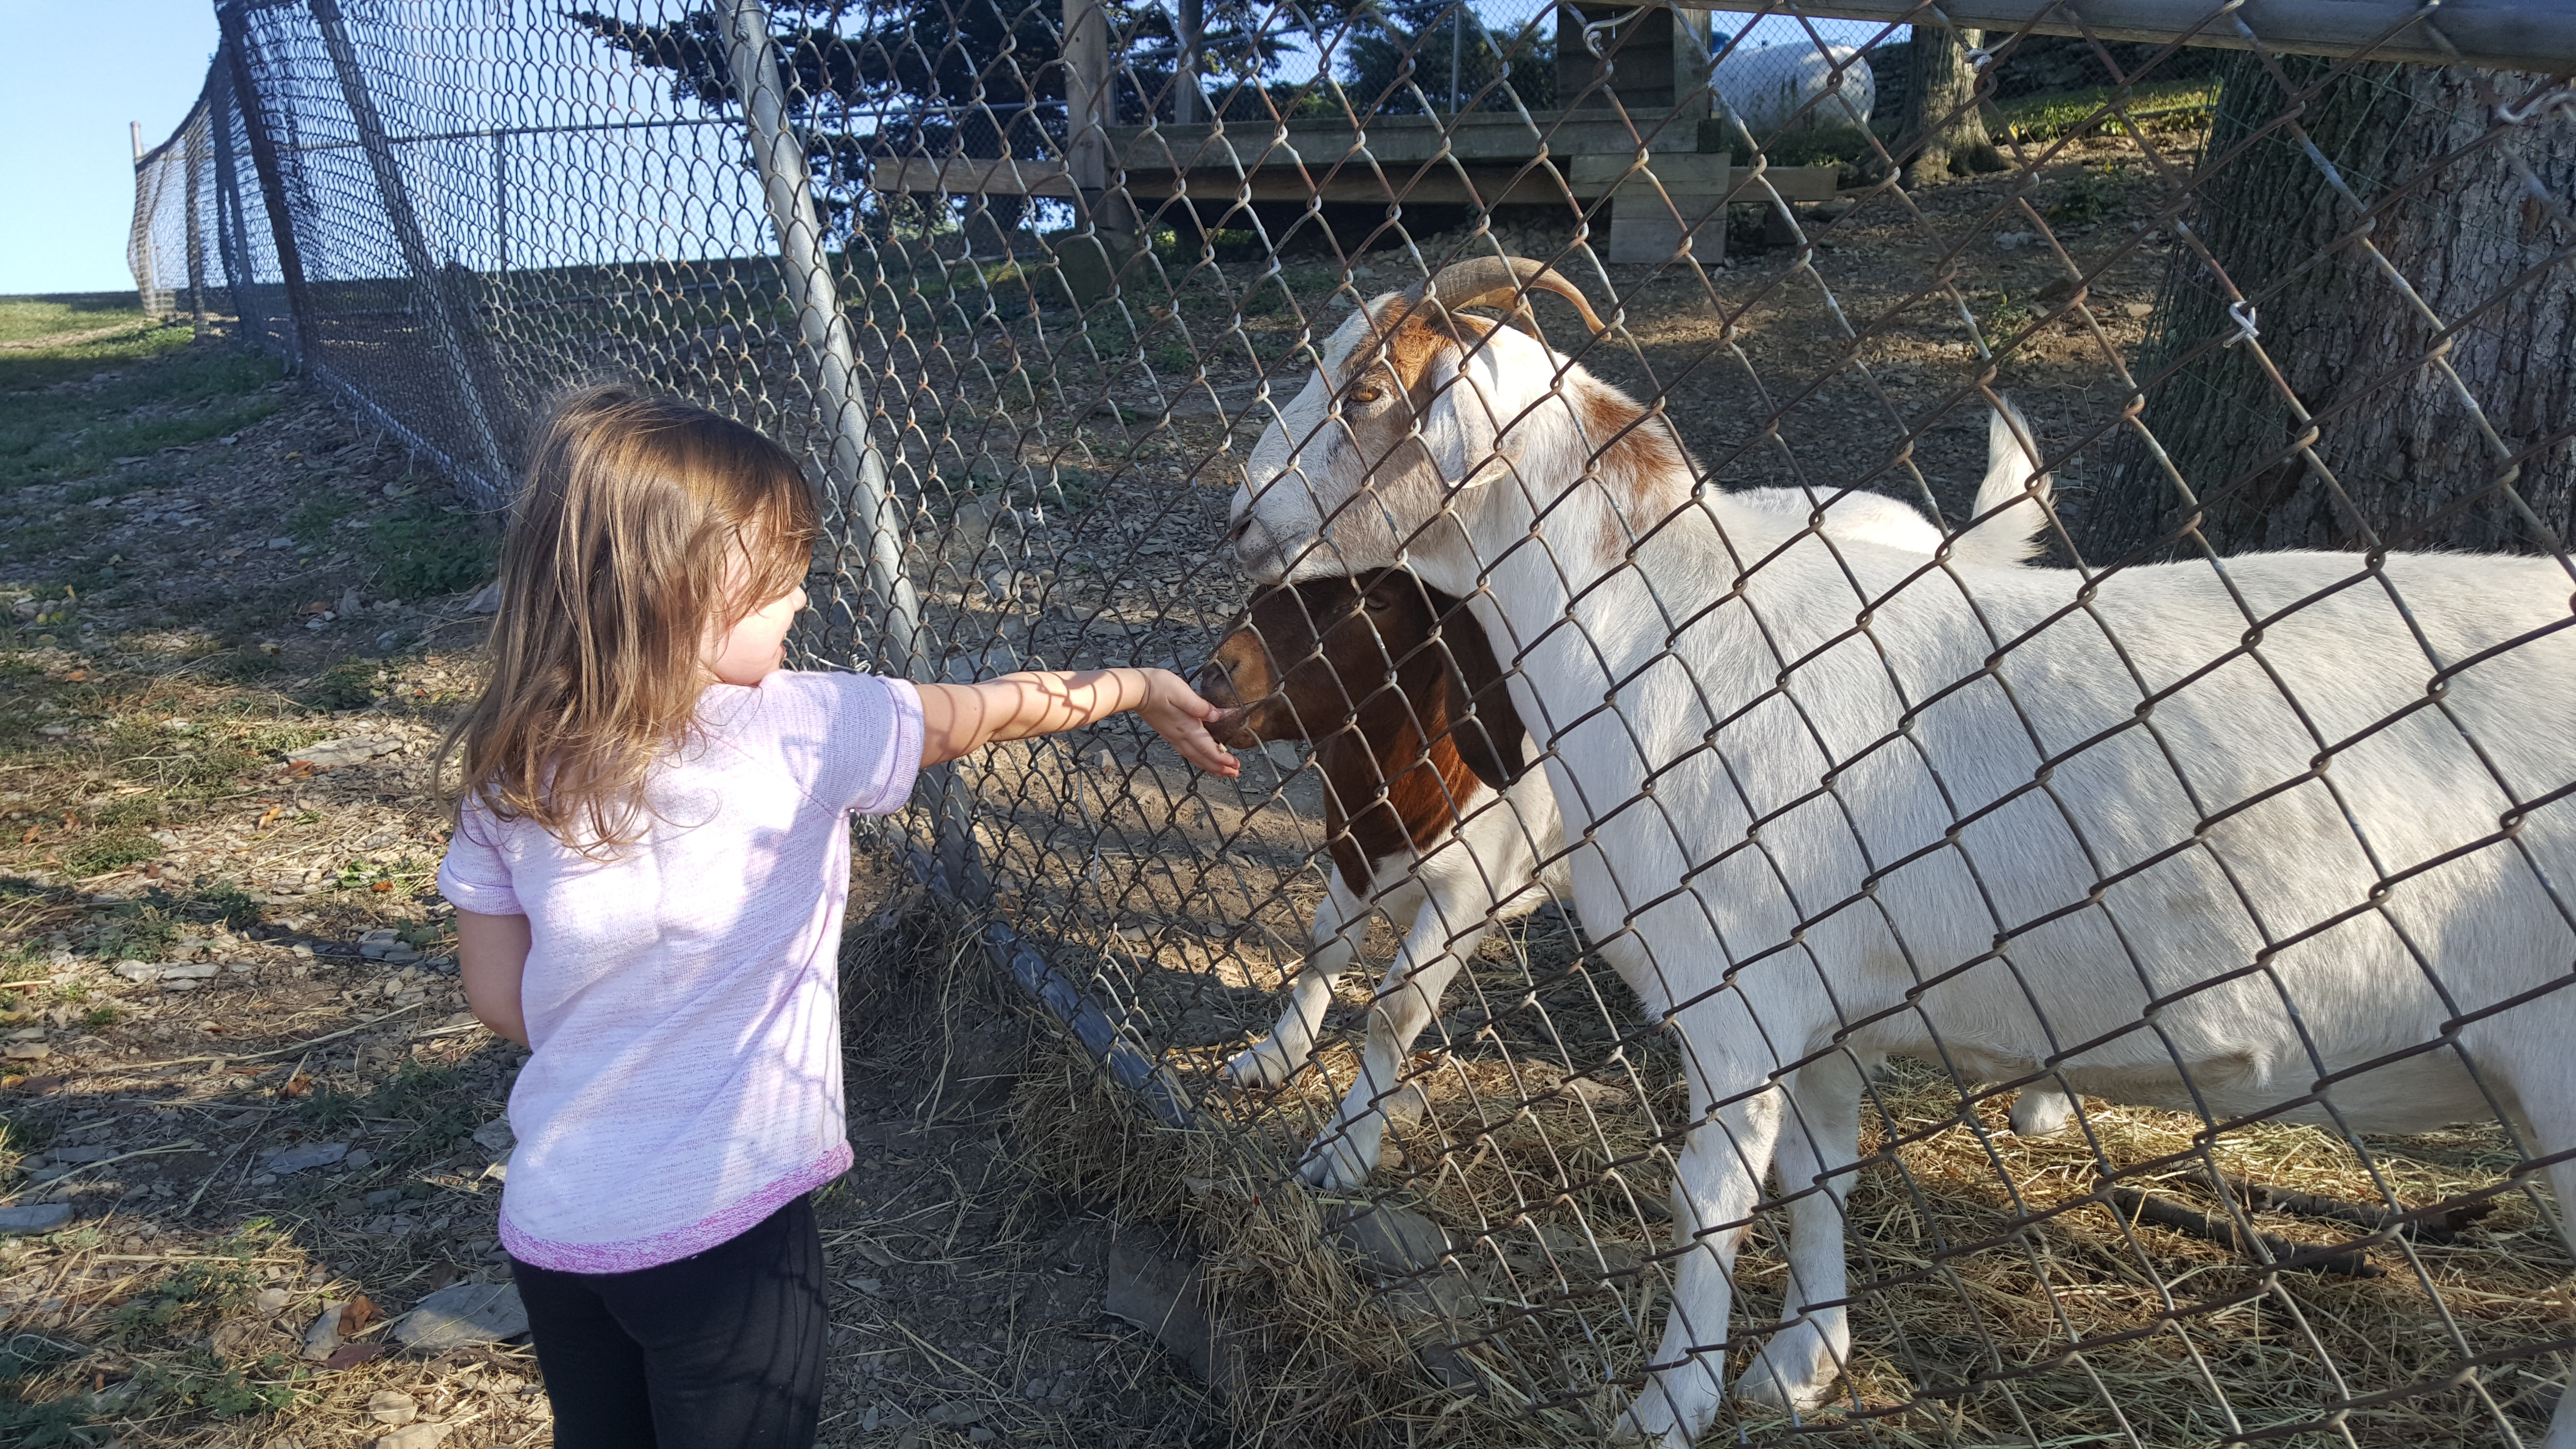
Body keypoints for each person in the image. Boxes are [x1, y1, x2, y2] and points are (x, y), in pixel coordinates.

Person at [435, 385, 1237, 1449]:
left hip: (553, 1229)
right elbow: (998, 707)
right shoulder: (810, 727)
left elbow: (497, 999)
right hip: (721, 1229)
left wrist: (622, 1028)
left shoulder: (510, 769)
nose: (803, 602)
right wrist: (1132, 683)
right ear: (685, 591)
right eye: (783, 583)